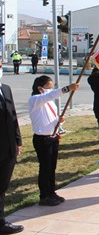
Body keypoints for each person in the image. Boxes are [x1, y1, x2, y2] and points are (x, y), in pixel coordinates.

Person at [29, 75, 79, 206]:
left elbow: (49, 116)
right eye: (48, 88)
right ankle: (44, 196)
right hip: (42, 139)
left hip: (53, 137)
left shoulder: (49, 102)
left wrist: (58, 120)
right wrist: (67, 88)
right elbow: (49, 96)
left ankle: (51, 192)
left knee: (52, 168)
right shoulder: (35, 100)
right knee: (45, 168)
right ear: (40, 88)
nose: (50, 91)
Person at [0, 62, 24, 234]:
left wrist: (18, 141)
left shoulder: (5, 89)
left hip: (8, 148)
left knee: (2, 186)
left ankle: (1, 222)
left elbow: (13, 116)